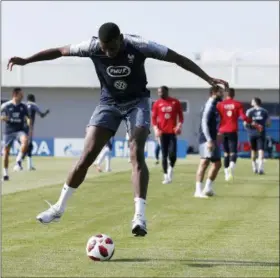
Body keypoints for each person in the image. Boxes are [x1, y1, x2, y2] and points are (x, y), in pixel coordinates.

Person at [8, 22, 228, 236]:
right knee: (87, 156)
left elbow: (178, 58)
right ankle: (58, 208)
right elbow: (59, 51)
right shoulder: (92, 47)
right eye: (105, 49)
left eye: (112, 48)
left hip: (137, 103)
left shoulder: (140, 45)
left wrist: (207, 78)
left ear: (120, 39)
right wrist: (27, 60)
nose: (109, 53)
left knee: (135, 151)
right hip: (108, 103)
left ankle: (139, 217)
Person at [216, 88, 262, 181]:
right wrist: (254, 123)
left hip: (222, 130)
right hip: (232, 130)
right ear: (234, 94)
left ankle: (226, 175)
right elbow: (244, 117)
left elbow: (216, 117)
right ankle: (231, 169)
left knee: (225, 153)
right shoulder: (237, 104)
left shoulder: (220, 105)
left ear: (225, 94)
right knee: (233, 153)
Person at [194, 86, 224, 198]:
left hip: (213, 138)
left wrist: (218, 134)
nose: (222, 95)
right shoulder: (209, 106)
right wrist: (209, 140)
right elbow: (204, 123)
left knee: (217, 163)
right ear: (214, 93)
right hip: (206, 139)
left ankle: (208, 188)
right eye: (220, 92)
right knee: (204, 162)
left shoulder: (215, 106)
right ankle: (198, 191)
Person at [152, 86, 184, 184]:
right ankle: (166, 176)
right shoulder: (157, 103)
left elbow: (181, 117)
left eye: (161, 92)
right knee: (164, 155)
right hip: (162, 133)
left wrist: (178, 126)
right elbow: (153, 119)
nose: (159, 93)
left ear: (166, 91)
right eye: (158, 92)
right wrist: (156, 130)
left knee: (173, 154)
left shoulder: (175, 102)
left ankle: (171, 168)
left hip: (172, 133)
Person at [1, 88, 31, 180]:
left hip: (19, 130)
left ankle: (18, 161)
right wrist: (3, 118)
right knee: (6, 152)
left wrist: (29, 124)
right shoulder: (6, 105)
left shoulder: (24, 106)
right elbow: (1, 116)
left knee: (25, 141)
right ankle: (5, 174)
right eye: (20, 95)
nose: (22, 96)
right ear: (15, 94)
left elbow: (28, 118)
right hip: (9, 131)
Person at [22, 94, 50, 170]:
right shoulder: (33, 105)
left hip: (21, 127)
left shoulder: (24, 105)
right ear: (33, 99)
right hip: (29, 127)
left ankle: (28, 165)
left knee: (27, 145)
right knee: (29, 146)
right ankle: (20, 162)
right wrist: (46, 112)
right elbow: (41, 115)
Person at [244, 97, 270, 174]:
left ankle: (254, 167)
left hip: (251, 133)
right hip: (261, 133)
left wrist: (249, 128)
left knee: (253, 150)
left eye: (252, 101)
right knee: (261, 150)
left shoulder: (249, 111)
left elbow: (245, 123)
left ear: (255, 102)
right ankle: (261, 168)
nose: (251, 102)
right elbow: (268, 123)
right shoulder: (265, 111)